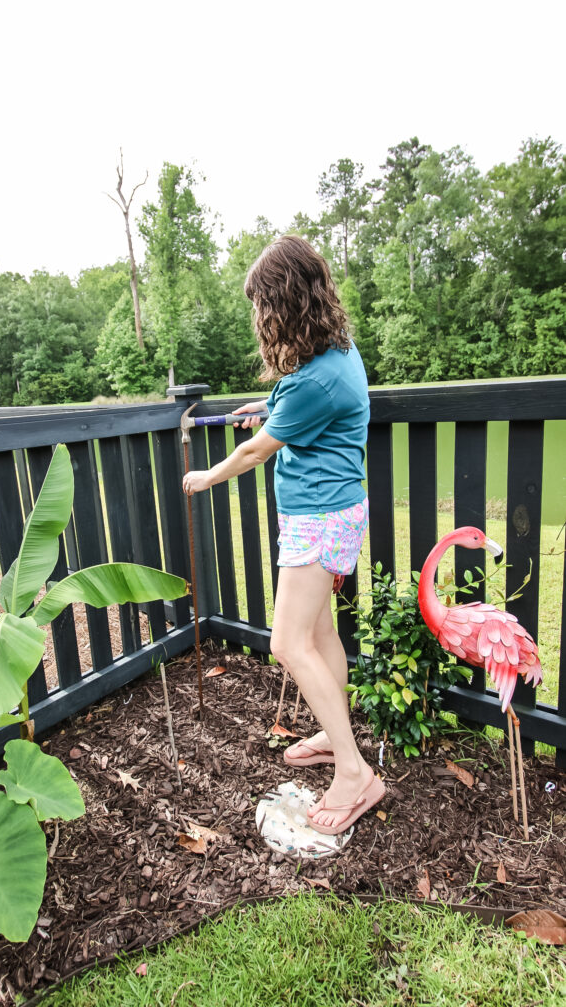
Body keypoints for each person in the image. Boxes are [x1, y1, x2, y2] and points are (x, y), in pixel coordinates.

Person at [182, 234, 384, 835]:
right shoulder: (338, 354)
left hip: (319, 519)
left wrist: (207, 475)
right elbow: (294, 407)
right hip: (334, 512)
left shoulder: (311, 383)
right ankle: (333, 731)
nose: (257, 318)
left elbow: (252, 453)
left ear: (283, 304)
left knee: (287, 642)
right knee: (320, 636)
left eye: (260, 305)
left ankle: (354, 774)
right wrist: (268, 407)